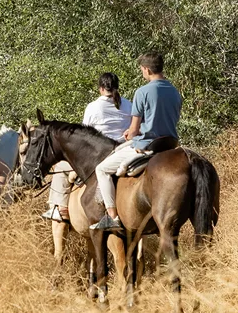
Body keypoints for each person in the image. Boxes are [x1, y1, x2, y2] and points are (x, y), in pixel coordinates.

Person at [90, 53, 182, 231]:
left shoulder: (143, 92)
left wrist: (130, 133)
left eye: (142, 70)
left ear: (147, 69)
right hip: (170, 145)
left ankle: (112, 217)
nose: (142, 73)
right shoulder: (174, 91)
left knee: (101, 169)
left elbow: (133, 130)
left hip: (147, 145)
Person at [42, 72, 133, 222]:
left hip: (99, 154)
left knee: (60, 168)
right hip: (124, 150)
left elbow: (86, 135)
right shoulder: (129, 104)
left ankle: (61, 209)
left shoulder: (93, 107)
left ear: (101, 88)